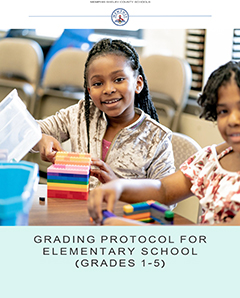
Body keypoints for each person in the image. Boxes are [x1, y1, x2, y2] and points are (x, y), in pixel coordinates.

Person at [88, 60, 240, 226]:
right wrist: (120, 186)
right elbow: (164, 190)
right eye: (223, 111)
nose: (232, 120)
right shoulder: (212, 158)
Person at [32, 38, 175, 189]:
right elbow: (23, 129)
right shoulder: (80, 114)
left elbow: (166, 195)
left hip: (122, 212)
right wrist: (39, 138)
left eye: (119, 79)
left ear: (138, 84)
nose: (108, 89)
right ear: (89, 90)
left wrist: (120, 187)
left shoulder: (157, 138)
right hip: (77, 209)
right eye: (98, 83)